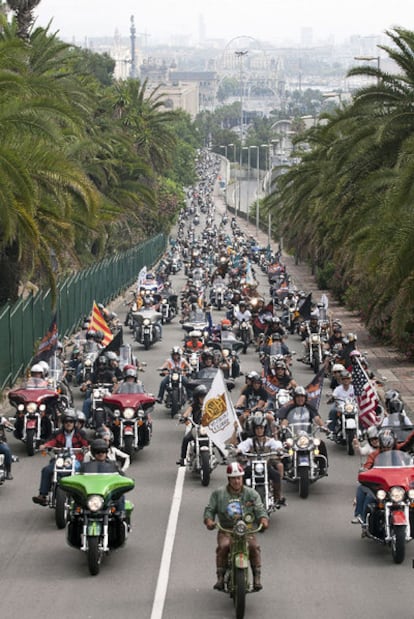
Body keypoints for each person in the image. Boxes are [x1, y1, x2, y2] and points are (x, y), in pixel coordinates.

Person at [203, 462, 269, 591]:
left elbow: (260, 510)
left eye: (239, 478)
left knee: (254, 547)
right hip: (226, 530)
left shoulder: (252, 494)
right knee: (223, 546)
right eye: (233, 478)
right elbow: (210, 510)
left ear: (242, 478)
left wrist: (263, 520)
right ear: (229, 479)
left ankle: (257, 578)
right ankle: (220, 578)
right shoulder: (218, 494)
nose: (236, 481)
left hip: (247, 530)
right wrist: (209, 521)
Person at [352, 428, 414, 524]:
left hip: (399, 483)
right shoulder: (374, 455)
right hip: (382, 485)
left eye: (389, 447)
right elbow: (368, 465)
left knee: (411, 495)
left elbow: (409, 442)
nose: (386, 449)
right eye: (384, 447)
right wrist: (365, 471)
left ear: (393, 444)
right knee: (367, 494)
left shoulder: (400, 450)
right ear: (381, 445)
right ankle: (360, 515)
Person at [32, 411, 89, 506]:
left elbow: (86, 443)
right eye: (66, 421)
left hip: (76, 459)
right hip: (60, 459)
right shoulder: (57, 433)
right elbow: (51, 441)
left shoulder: (80, 434)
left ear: (75, 423)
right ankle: (42, 495)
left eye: (71, 421)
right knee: (46, 470)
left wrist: (88, 447)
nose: (68, 423)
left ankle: (84, 496)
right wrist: (45, 445)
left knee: (82, 472)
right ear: (63, 423)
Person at [235, 414, 286, 507]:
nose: (259, 430)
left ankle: (277, 497)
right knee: (241, 476)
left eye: (261, 428)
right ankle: (240, 497)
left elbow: (277, 445)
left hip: (266, 466)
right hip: (252, 466)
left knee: (276, 476)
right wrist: (238, 450)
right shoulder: (250, 441)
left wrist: (279, 449)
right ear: (254, 429)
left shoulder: (269, 441)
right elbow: (242, 446)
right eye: (257, 428)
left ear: (265, 429)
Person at [278, 386, 329, 473]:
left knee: (321, 444)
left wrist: (323, 427)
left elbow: (316, 418)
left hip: (307, 435)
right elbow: (285, 420)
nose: (300, 399)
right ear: (294, 398)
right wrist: (283, 427)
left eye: (302, 397)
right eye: (298, 397)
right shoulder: (289, 408)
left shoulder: (309, 408)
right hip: (293, 435)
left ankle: (322, 467)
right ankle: (285, 467)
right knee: (283, 446)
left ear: (305, 398)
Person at [176, 385, 207, 466]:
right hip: (196, 428)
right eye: (201, 397)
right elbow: (187, 412)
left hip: (208, 428)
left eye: (204, 397)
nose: (203, 399)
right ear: (197, 398)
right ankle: (182, 458)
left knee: (216, 439)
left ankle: (223, 456)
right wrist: (184, 417)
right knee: (186, 439)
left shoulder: (209, 405)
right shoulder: (194, 406)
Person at [326, 370, 355, 435]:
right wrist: (332, 397)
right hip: (340, 407)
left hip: (352, 407)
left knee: (361, 413)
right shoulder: (338, 389)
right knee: (333, 411)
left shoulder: (354, 388)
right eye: (344, 379)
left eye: (347, 379)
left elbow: (359, 395)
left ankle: (363, 429)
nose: (346, 380)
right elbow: (334, 395)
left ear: (350, 379)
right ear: (341, 380)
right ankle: (331, 431)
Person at [0, 415, 17, 480]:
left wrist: (8, 425)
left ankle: (8, 472)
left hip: (0, 443)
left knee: (6, 450)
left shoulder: (1, 419)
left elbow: (7, 423)